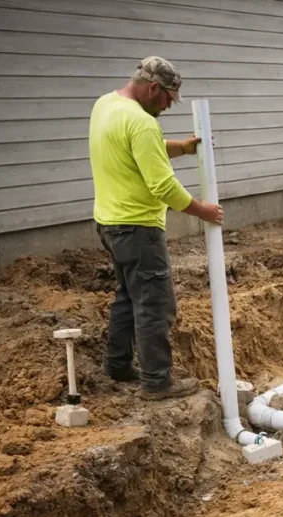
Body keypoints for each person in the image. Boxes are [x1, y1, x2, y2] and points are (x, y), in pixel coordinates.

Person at [89, 57, 223, 400]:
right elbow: (163, 187)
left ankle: (117, 365)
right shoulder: (142, 123)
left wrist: (182, 147)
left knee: (127, 297)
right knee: (153, 304)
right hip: (138, 229)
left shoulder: (106, 105)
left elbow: (137, 150)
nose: (168, 106)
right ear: (153, 88)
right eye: (167, 99)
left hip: (109, 223)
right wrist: (202, 210)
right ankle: (157, 383)